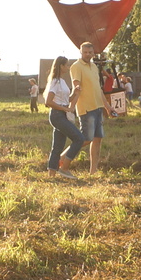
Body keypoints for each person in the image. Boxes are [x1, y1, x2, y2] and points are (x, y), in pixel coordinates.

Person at [70, 42, 112, 170]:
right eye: (85, 52)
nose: (87, 55)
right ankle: (62, 158)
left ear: (93, 53)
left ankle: (93, 170)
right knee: (86, 139)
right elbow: (76, 85)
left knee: (97, 139)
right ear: (81, 52)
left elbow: (98, 89)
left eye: (90, 52)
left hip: (98, 107)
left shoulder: (94, 67)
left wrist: (108, 107)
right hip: (86, 107)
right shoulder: (76, 66)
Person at [42, 56, 83, 179]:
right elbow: (49, 101)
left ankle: (51, 175)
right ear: (61, 66)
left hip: (61, 115)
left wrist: (75, 93)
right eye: (66, 65)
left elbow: (67, 100)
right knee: (79, 138)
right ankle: (65, 167)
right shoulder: (55, 81)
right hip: (57, 115)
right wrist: (65, 108)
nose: (68, 67)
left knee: (57, 146)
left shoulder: (62, 81)